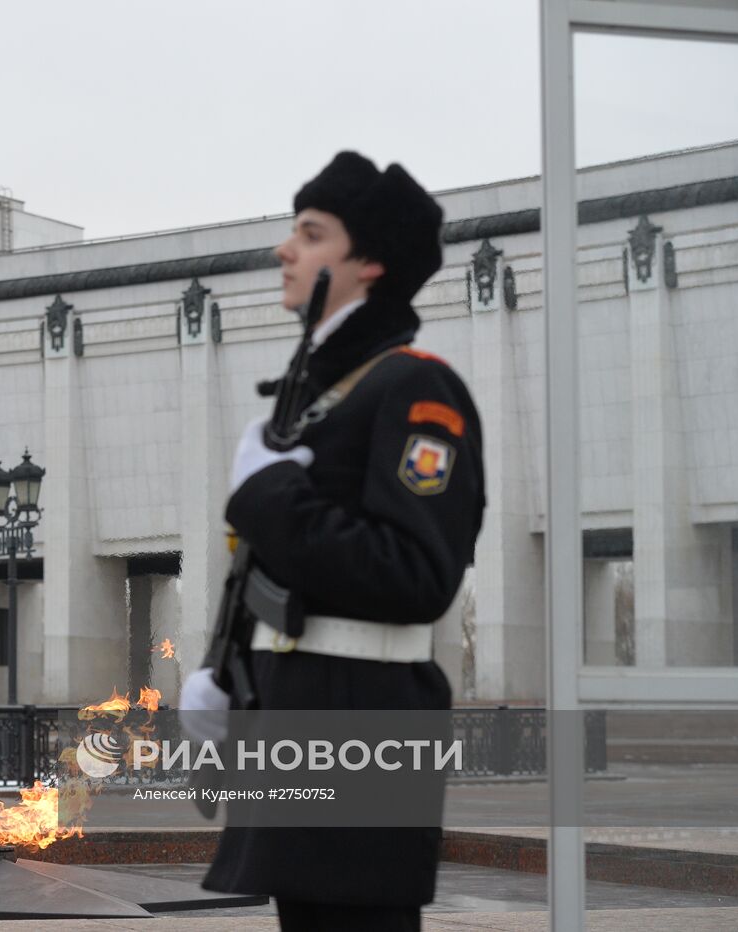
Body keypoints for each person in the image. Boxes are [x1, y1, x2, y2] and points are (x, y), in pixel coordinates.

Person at [188, 151, 486, 931]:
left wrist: (267, 491)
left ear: (371, 262)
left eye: (312, 234)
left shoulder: (416, 388)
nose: (287, 251)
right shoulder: (328, 394)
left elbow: (414, 573)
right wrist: (227, 672)